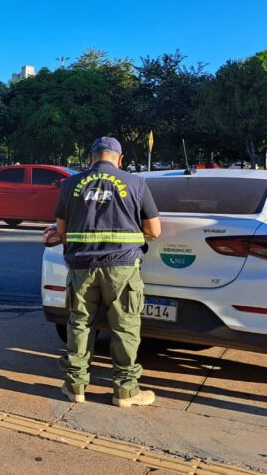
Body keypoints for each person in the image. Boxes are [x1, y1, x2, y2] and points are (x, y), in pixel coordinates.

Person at [51, 137, 162, 408]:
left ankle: (75, 387)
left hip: (81, 267)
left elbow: (61, 231)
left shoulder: (70, 184)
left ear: (91, 158)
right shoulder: (136, 183)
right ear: (119, 159)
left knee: (79, 324)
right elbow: (155, 230)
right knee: (125, 326)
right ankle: (125, 391)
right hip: (122, 268)